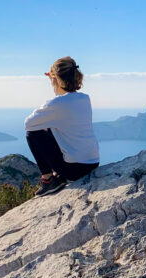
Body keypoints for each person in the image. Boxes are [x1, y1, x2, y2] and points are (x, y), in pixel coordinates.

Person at [24, 56, 100, 196]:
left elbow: (28, 124)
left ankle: (48, 180)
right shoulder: (85, 98)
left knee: (33, 133)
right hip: (93, 163)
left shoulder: (56, 104)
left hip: (74, 170)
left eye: (50, 78)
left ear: (55, 79)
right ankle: (58, 176)